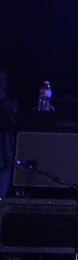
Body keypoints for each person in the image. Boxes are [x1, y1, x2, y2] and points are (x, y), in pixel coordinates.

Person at [0, 65, 19, 198]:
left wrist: (2, 101)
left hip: (5, 159)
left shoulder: (12, 104)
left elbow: (13, 124)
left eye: (2, 80)